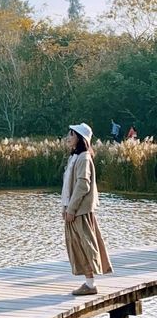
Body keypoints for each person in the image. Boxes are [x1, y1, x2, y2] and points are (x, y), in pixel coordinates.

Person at [62, 122, 113, 295]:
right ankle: (89, 282)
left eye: (71, 135)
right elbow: (69, 186)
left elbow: (83, 185)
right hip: (74, 210)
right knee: (77, 245)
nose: (68, 138)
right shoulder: (75, 157)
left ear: (80, 138)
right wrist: (65, 206)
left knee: (85, 245)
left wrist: (71, 209)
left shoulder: (84, 157)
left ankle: (90, 285)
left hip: (80, 211)